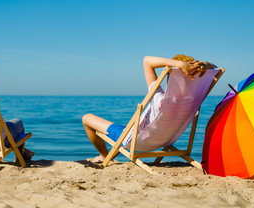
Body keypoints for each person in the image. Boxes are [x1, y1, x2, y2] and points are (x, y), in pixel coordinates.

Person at [82, 55, 217, 162]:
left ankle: (105, 157)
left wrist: (177, 64)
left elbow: (147, 61)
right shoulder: (194, 100)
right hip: (166, 140)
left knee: (86, 118)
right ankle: (112, 151)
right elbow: (216, 68)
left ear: (170, 75)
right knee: (126, 129)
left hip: (136, 141)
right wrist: (205, 64)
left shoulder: (159, 98)